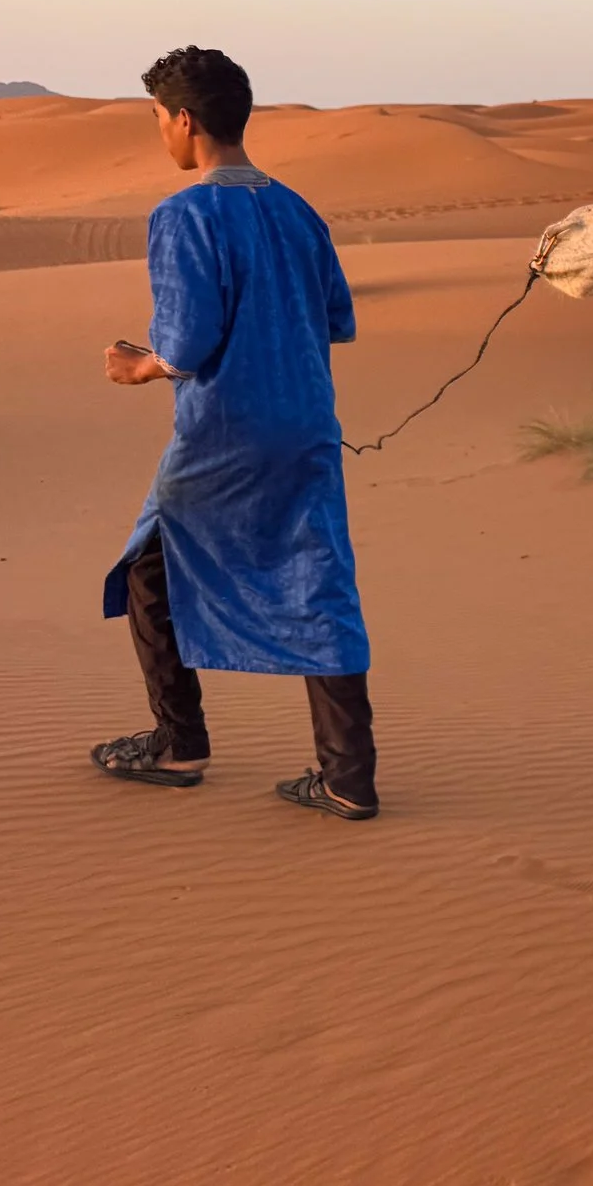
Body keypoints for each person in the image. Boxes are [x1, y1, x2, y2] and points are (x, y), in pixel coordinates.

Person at [91, 45, 380, 820]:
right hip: (308, 424)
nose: (161, 132)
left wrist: (137, 366)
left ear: (184, 121)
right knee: (320, 579)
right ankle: (349, 776)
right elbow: (336, 319)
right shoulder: (298, 209)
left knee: (150, 566)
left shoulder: (183, 214)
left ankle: (179, 742)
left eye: (159, 118)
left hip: (226, 431)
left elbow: (185, 346)